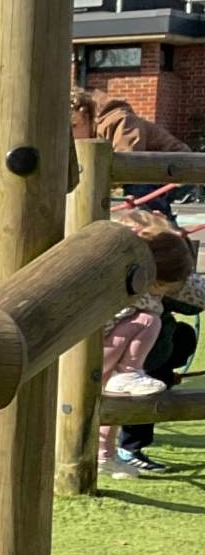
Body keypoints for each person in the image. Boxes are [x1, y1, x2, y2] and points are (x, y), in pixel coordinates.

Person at [98, 224, 202, 478]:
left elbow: (195, 296)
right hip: (108, 352)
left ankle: (105, 455)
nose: (166, 293)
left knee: (111, 402)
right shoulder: (136, 292)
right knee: (150, 322)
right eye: (165, 287)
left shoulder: (142, 279)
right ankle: (117, 449)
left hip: (120, 353)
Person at [72, 87, 190, 216]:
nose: (70, 134)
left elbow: (127, 162)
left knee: (138, 192)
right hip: (149, 173)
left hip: (177, 169)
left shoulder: (120, 120)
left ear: (87, 117)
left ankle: (156, 224)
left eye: (73, 126)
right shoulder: (92, 133)